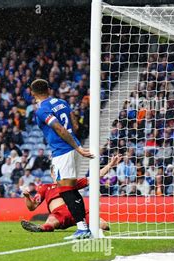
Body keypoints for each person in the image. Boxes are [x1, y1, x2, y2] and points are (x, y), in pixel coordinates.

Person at [30, 79, 94, 240]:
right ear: (49, 89)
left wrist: (78, 147)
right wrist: (75, 144)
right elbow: (74, 124)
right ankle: (83, 228)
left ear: (32, 93)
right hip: (68, 148)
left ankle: (82, 228)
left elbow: (59, 128)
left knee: (66, 191)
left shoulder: (42, 110)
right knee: (70, 189)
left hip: (62, 150)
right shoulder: (62, 102)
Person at [21, 155, 122, 233]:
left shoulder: (71, 182)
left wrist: (110, 165)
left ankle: (90, 229)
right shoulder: (45, 187)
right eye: (56, 172)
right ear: (52, 174)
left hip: (79, 211)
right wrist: (27, 197)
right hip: (59, 214)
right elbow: (32, 207)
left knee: (104, 226)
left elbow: (94, 177)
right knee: (50, 223)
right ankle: (40, 228)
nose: (58, 175)